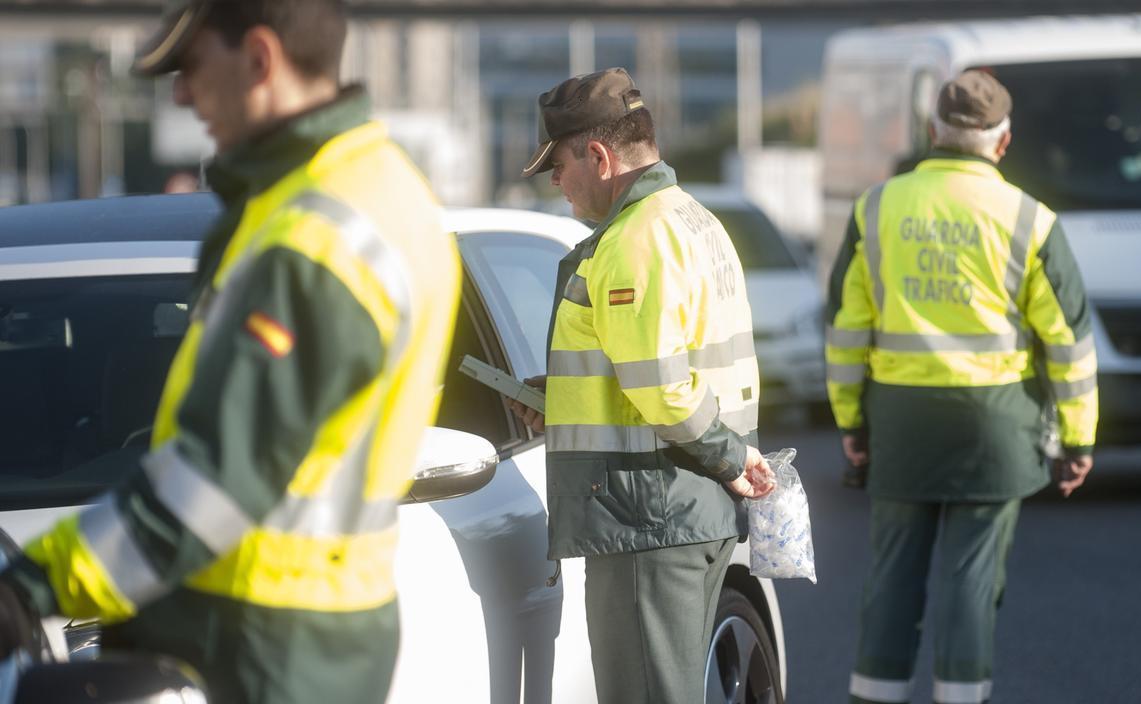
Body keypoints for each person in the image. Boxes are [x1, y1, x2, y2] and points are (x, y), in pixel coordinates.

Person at [0, 1, 460, 702]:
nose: (180, 94)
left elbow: (210, 482)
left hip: (262, 638)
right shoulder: (375, 190)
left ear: (259, 60)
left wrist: (31, 585)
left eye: (191, 67)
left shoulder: (315, 237)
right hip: (302, 629)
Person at [826, 70, 1099, 704]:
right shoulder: (1031, 220)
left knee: (893, 575)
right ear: (1003, 144)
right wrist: (1078, 439)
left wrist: (852, 424)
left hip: (899, 420)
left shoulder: (875, 209)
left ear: (931, 133)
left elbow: (845, 330)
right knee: (972, 580)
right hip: (996, 424)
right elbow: (1069, 343)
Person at [511, 67, 776, 704]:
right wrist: (567, 397)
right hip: (690, 508)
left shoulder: (634, 240)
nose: (555, 181)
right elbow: (665, 365)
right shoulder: (694, 221)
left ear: (598, 156)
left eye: (559, 165)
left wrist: (730, 457)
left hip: (648, 516)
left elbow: (662, 386)